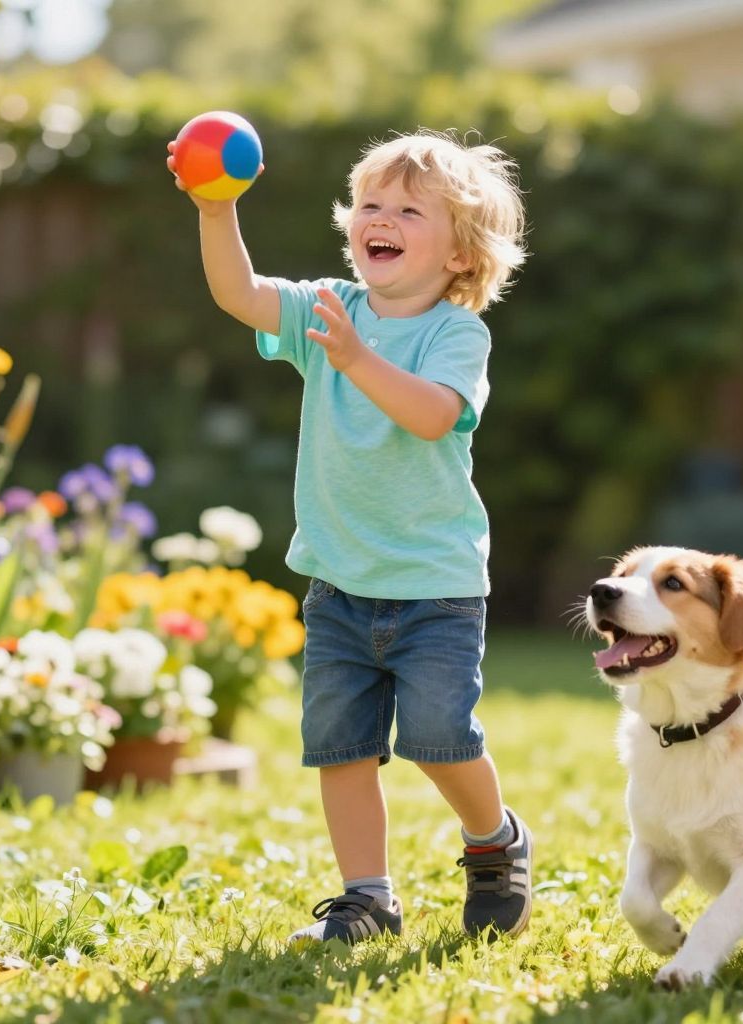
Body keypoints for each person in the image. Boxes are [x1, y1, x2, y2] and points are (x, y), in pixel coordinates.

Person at [167, 129, 530, 943]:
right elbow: (241, 294)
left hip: (433, 586)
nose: (383, 217)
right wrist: (215, 209)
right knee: (343, 749)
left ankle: (494, 841)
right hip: (337, 584)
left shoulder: (454, 333)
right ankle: (367, 897)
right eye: (372, 203)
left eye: (410, 209)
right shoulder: (330, 309)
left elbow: (434, 415)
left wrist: (358, 358)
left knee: (441, 740)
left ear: (462, 258)